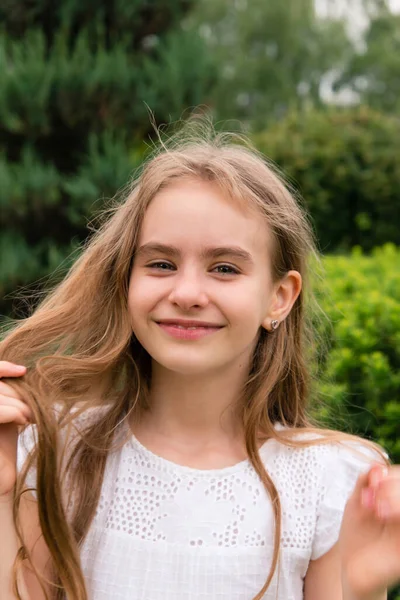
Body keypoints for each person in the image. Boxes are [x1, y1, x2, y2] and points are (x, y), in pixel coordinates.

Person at [0, 126, 399, 600]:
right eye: (161, 264)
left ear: (279, 298)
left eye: (225, 268)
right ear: (126, 281)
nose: (186, 294)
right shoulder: (51, 452)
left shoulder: (332, 481)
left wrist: (361, 588)